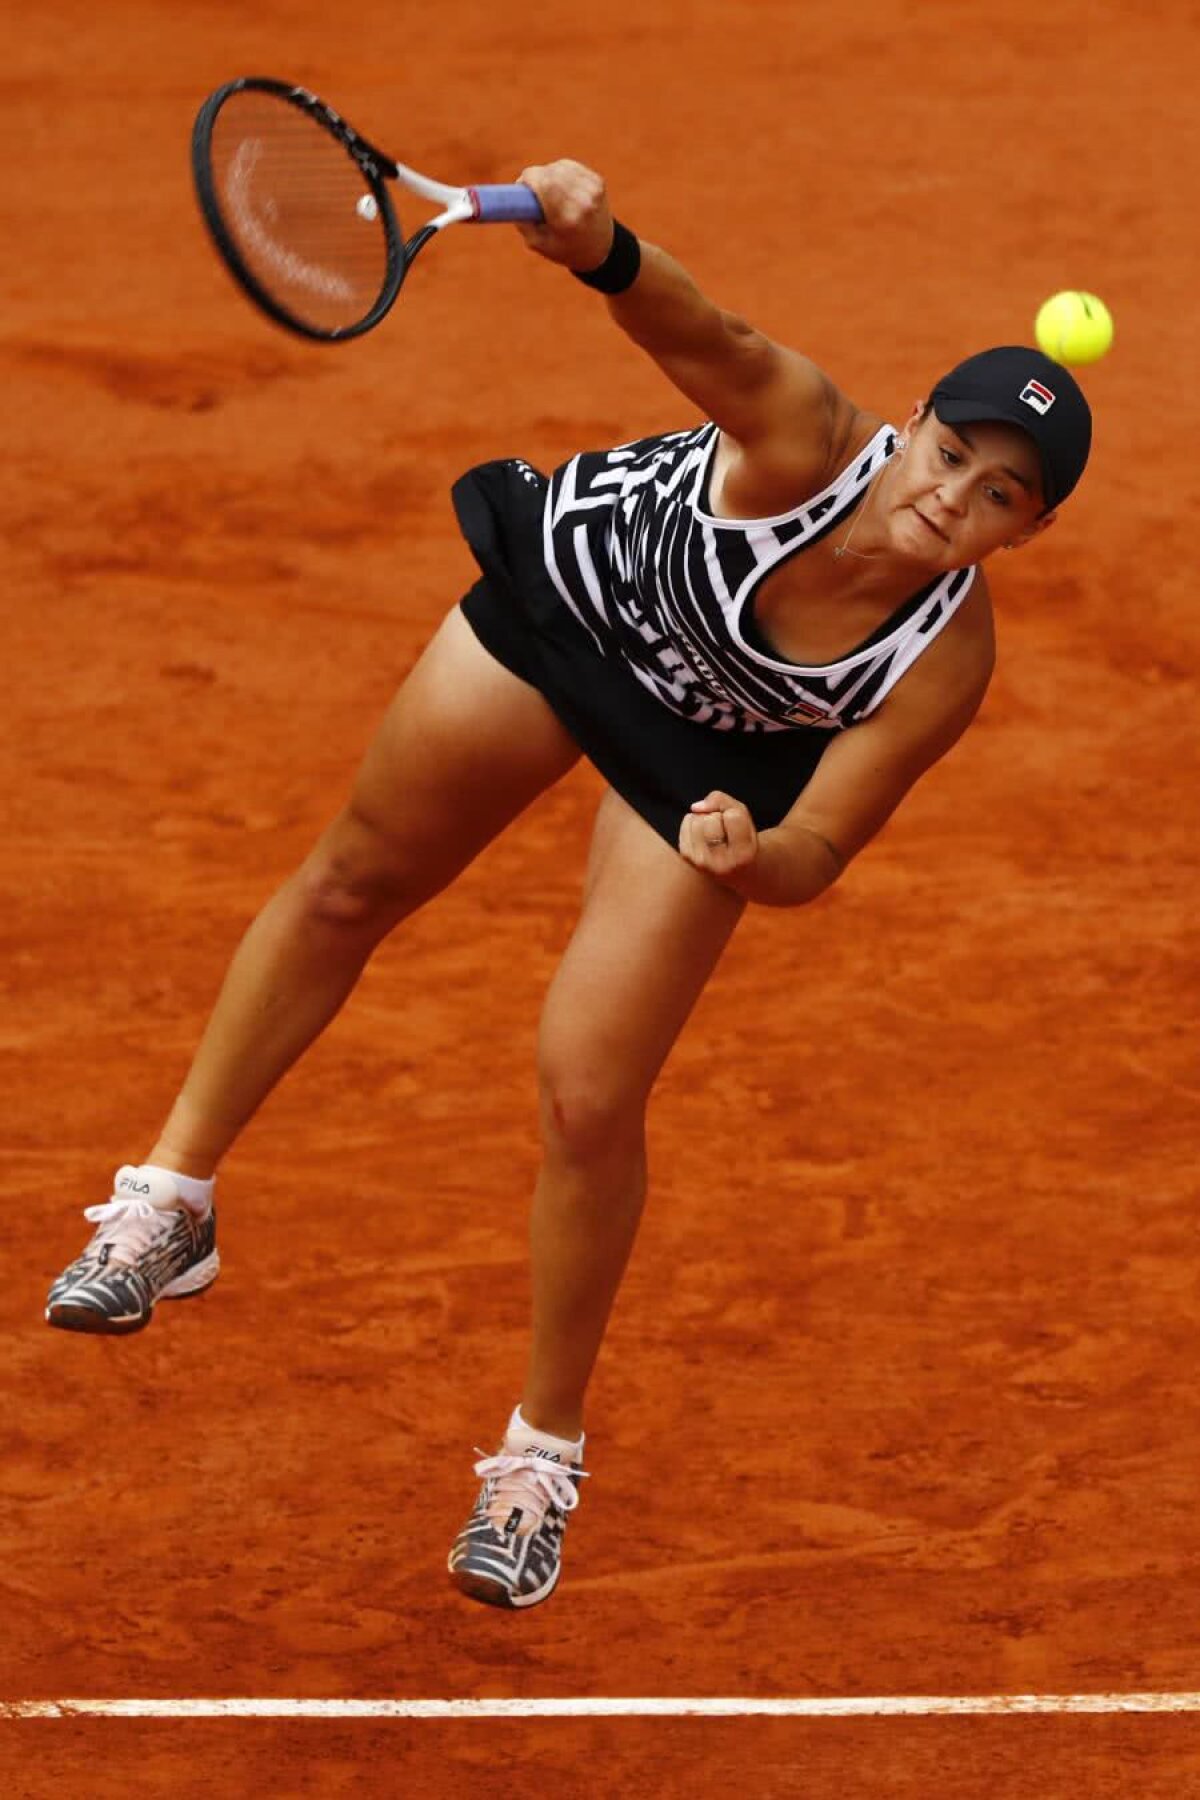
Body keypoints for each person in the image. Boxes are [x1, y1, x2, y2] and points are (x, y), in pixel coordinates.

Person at [45, 160, 1092, 1611]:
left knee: (590, 1092)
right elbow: (696, 328)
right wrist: (594, 241)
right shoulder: (805, 433)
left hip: (709, 753)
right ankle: (171, 1201)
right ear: (910, 425)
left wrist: (753, 853)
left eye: (999, 498)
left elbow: (825, 847)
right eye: (951, 456)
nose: (953, 499)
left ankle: (538, 1460)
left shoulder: (944, 665)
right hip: (576, 612)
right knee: (356, 879)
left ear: (1022, 536)